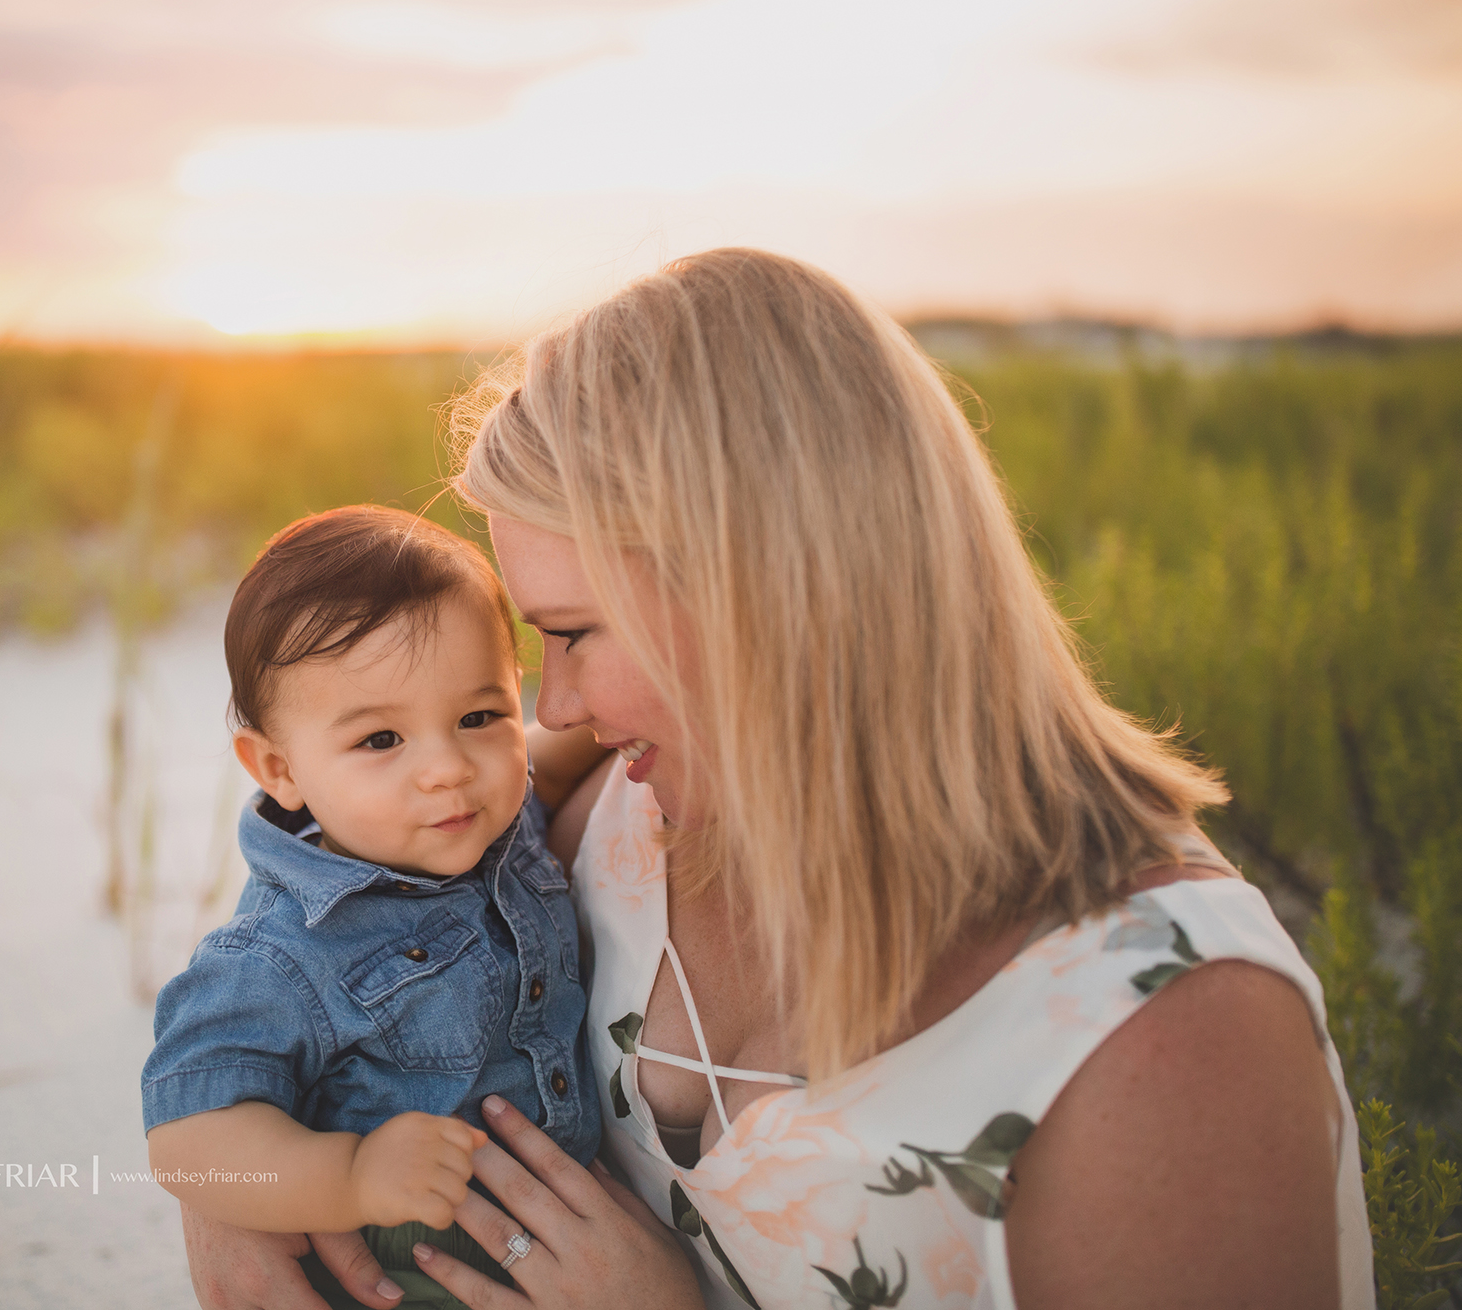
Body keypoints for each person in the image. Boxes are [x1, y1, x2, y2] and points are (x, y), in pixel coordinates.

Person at [178, 249, 1375, 1310]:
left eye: (576, 634)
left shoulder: (1158, 1035)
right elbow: (335, 885)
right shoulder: (611, 800)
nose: (557, 708)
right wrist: (244, 1173)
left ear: (770, 605)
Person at [142, 505, 600, 1310]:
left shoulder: (493, 820)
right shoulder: (279, 953)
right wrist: (346, 1177)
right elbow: (189, 1142)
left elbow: (552, 765)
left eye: (478, 716)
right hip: (409, 1267)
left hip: (559, 1253)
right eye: (382, 740)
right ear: (279, 767)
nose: (448, 769)